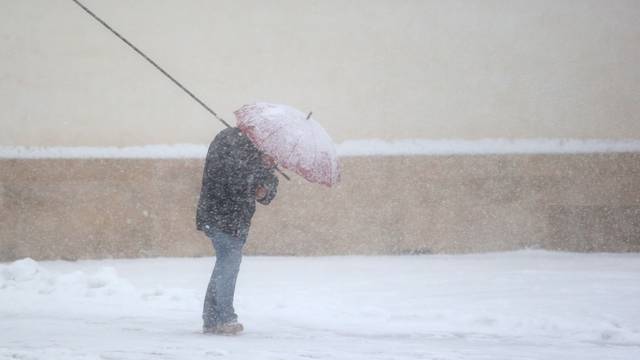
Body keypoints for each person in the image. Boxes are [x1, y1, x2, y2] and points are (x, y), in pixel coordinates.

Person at [196, 127, 279, 335]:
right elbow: (233, 178)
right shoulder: (228, 140)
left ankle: (212, 319)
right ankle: (224, 317)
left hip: (238, 219)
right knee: (229, 262)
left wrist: (265, 189)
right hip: (219, 213)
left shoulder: (261, 149)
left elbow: (267, 184)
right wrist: (261, 165)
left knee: (225, 263)